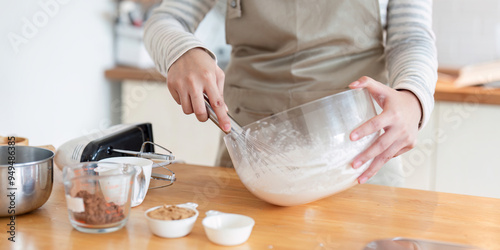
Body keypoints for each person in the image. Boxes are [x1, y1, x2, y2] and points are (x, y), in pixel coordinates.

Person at [144, 0, 437, 186]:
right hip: (253, 158)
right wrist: (181, 50)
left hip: (360, 156)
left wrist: (412, 95)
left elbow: (411, 35)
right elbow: (166, 19)